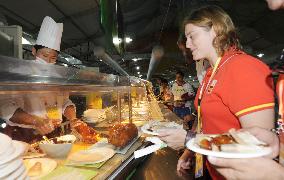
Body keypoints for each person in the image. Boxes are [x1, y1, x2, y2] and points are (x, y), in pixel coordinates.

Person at [159, 5, 275, 180]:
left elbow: (259, 144)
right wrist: (190, 152)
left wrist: (189, 139)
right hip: (211, 168)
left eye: (192, 36)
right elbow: (203, 120)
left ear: (215, 30)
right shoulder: (211, 72)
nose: (188, 44)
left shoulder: (243, 68)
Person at [0, 16, 78, 143]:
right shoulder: (19, 74)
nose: (48, 61)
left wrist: (73, 119)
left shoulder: (57, 77)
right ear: (34, 51)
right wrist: (36, 121)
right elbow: (6, 108)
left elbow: (65, 102)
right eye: (45, 55)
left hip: (54, 133)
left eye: (53, 58)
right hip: (24, 137)